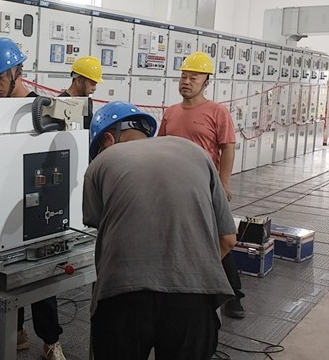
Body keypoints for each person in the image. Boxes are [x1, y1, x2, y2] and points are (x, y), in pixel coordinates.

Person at [83, 101, 237, 360]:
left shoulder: (101, 163)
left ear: (108, 139)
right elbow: (228, 239)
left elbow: (100, 224)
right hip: (194, 300)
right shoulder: (197, 153)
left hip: (123, 297)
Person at [0, 37, 66, 360]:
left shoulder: (41, 108)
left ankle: (51, 341)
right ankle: (15, 334)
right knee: (7, 275)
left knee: (41, 276)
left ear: (18, 71)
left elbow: (57, 154)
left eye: (2, 76)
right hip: (5, 201)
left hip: (39, 199)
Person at [157, 51, 246, 319]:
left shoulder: (217, 112)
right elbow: (160, 146)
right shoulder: (171, 112)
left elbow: (227, 147)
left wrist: (224, 183)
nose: (186, 81)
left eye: (193, 77)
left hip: (205, 187)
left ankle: (234, 295)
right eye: (183, 76)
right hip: (173, 186)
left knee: (218, 238)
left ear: (206, 82)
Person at [59, 55, 103, 127]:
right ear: (79, 81)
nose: (94, 88)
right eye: (92, 84)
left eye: (95, 84)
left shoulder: (87, 101)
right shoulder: (60, 103)